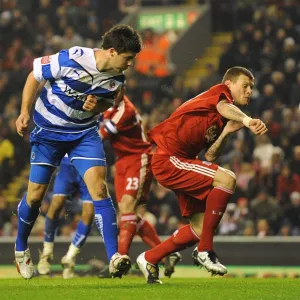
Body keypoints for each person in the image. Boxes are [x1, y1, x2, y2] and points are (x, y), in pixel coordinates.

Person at [14, 24, 142, 279]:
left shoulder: (118, 79)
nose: (130, 64)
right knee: (36, 197)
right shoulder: (73, 57)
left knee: (99, 189)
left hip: (83, 134)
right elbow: (34, 76)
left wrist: (97, 106)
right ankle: (20, 248)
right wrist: (24, 111)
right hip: (49, 133)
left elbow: (109, 103)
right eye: (128, 58)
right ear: (113, 51)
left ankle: (115, 257)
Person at [136, 66, 268, 283]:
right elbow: (224, 106)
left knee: (199, 228)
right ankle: (205, 250)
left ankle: (150, 257)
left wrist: (226, 132)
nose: (249, 91)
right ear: (229, 85)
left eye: (251, 88)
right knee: (227, 178)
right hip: (169, 157)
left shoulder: (222, 118)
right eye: (245, 86)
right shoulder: (219, 93)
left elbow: (211, 154)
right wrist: (247, 121)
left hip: (181, 160)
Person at [98, 89, 181, 278]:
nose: (111, 93)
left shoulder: (125, 110)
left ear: (122, 90)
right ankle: (165, 252)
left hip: (138, 158)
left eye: (115, 90)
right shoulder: (107, 106)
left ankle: (119, 262)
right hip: (122, 161)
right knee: (128, 215)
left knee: (127, 208)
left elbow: (101, 134)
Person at [37, 156, 94, 279]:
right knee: (56, 203)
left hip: (89, 163)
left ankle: (70, 257)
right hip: (67, 165)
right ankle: (47, 252)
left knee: (89, 213)